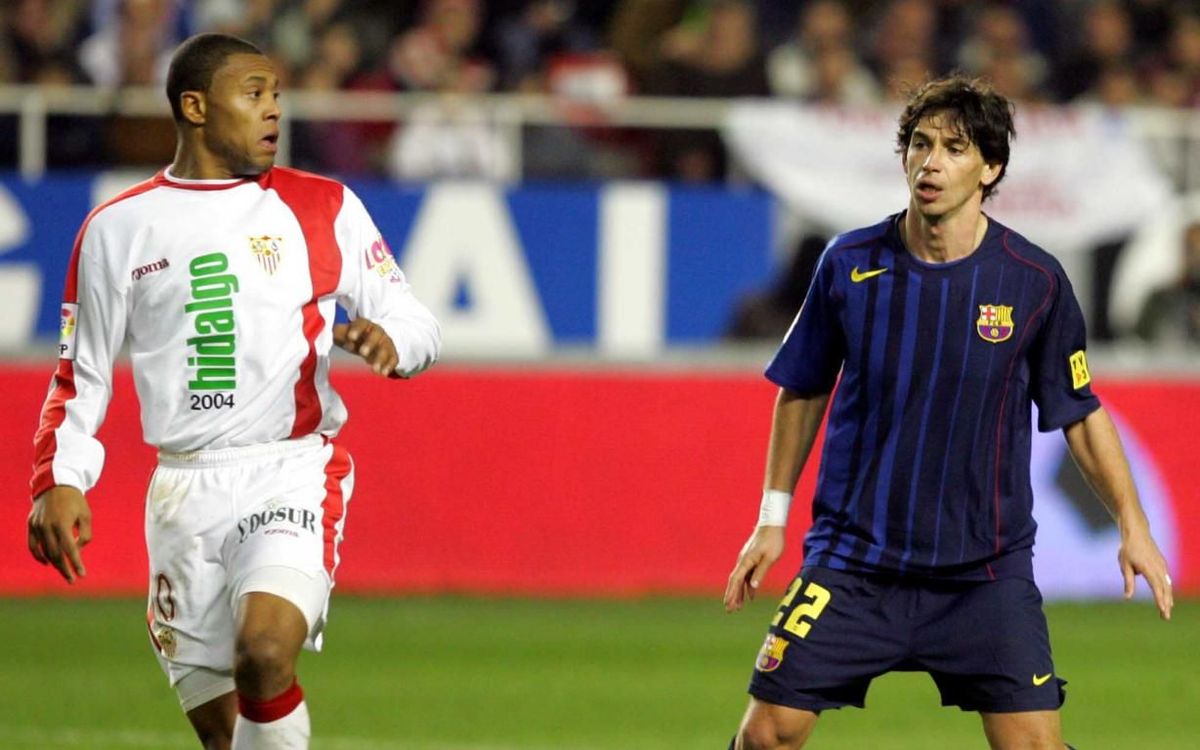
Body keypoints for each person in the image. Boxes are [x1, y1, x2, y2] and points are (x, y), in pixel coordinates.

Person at [723, 74, 1173, 750]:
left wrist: (1132, 524)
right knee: (768, 735)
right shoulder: (848, 264)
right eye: (921, 144)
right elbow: (803, 388)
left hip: (982, 575)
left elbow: (1078, 411)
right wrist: (771, 519)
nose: (931, 162)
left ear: (991, 168)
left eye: (955, 148)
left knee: (1032, 747)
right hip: (853, 564)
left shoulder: (1033, 281)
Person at [25, 32, 441, 750]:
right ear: (195, 106)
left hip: (290, 472)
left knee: (265, 654)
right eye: (254, 94)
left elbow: (415, 319)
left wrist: (393, 342)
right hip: (184, 495)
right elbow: (78, 375)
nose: (274, 110)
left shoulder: (323, 208)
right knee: (227, 736)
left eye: (276, 94)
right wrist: (57, 480)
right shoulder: (118, 229)